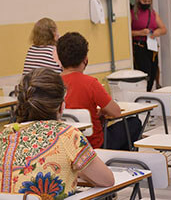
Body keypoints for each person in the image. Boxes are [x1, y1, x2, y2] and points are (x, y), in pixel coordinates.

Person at [0, 68, 114, 198]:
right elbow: (107, 180)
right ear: (62, 106)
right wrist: (77, 169)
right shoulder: (67, 135)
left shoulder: (6, 134)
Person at [57, 32, 142, 150]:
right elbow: (116, 112)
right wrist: (102, 112)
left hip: (67, 145)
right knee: (134, 123)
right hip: (94, 145)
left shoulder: (53, 83)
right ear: (85, 59)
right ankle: (119, 162)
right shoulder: (90, 83)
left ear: (60, 59)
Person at [131, 0, 167, 91]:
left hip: (151, 46)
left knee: (153, 71)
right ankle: (144, 93)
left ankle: (150, 92)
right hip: (139, 46)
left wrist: (156, 32)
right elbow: (126, 33)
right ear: (138, 0)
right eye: (144, 1)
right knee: (145, 72)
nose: (147, 3)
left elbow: (164, 29)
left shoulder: (152, 13)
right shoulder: (132, 13)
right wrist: (140, 32)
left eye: (149, 1)